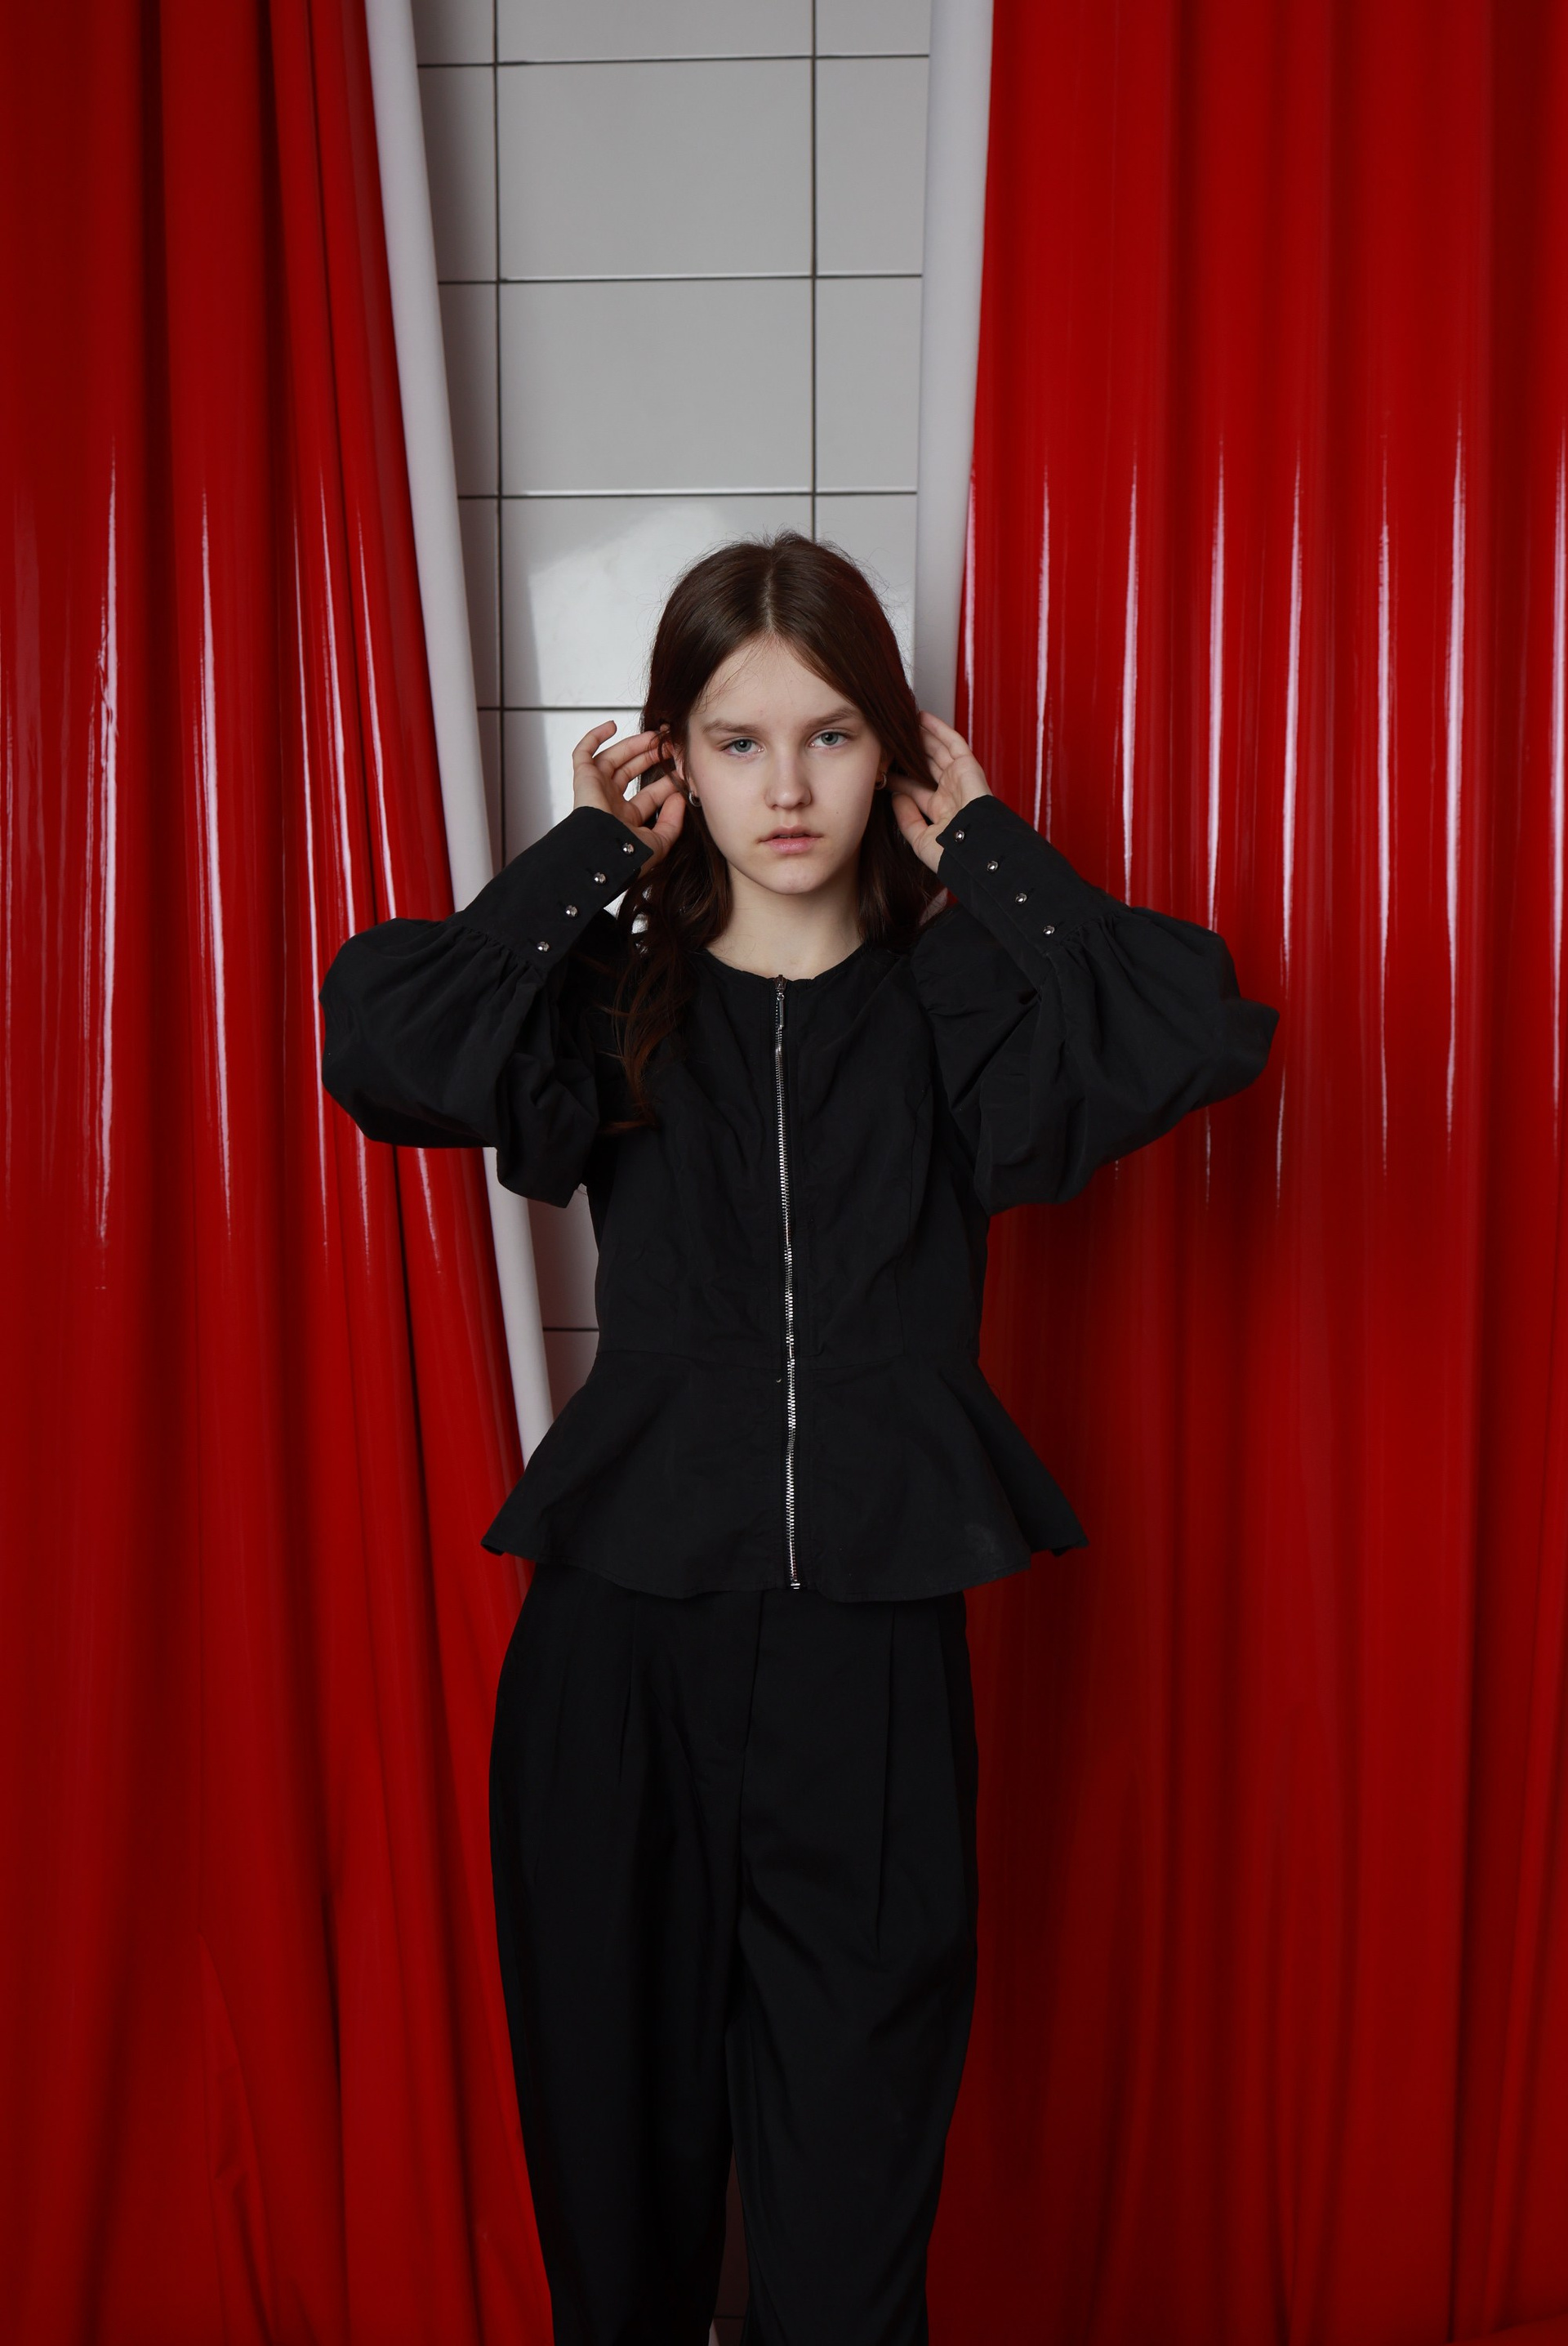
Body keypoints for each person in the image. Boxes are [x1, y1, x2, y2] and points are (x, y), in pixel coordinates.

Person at [318, 532, 1278, 2346]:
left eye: (831, 737)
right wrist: (590, 854)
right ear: (673, 758)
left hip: (872, 1675)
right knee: (619, 2222)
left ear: (893, 752)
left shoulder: (957, 1007)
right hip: (617, 1663)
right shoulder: (613, 999)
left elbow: (1190, 1025)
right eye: (737, 741)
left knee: (848, 2248)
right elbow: (382, 1041)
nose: (786, 788)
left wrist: (988, 849)